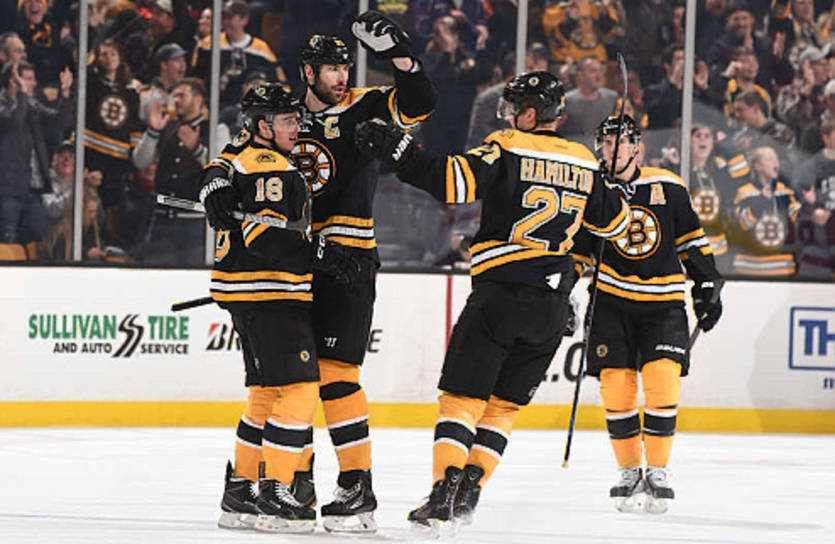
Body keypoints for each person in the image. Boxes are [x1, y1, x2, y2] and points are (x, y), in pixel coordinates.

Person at [354, 71, 630, 534]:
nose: (507, 116)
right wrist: (601, 186)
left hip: (501, 293)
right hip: (552, 305)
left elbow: (451, 181)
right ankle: (470, 491)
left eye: (514, 108)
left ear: (530, 115)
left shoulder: (507, 145)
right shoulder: (583, 159)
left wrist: (400, 151)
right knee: (502, 407)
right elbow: (615, 226)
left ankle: (443, 490)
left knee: (461, 399)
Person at [201, 10, 438, 533]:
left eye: (346, 67)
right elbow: (236, 153)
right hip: (295, 261)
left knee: (334, 376)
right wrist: (213, 179)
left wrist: (400, 56)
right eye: (332, 68)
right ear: (308, 72)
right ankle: (288, 481)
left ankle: (356, 485)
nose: (342, 76)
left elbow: (421, 101)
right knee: (286, 380)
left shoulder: (366, 105)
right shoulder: (286, 117)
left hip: (347, 259)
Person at [213, 83, 358, 534]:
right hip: (271, 293)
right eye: (288, 120)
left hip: (246, 293)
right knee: (300, 390)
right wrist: (321, 253)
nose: (297, 127)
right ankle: (275, 491)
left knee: (265, 394)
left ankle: (241, 489)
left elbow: (223, 172)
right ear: (262, 126)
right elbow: (266, 239)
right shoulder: (270, 167)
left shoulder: (240, 157)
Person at [570, 115, 724, 515]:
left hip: (663, 301)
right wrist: (563, 292)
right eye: (607, 142)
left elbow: (691, 240)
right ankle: (628, 472)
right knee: (616, 388)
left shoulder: (668, 186)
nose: (614, 148)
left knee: (662, 380)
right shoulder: (591, 188)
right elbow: (578, 251)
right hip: (610, 301)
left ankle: (657, 470)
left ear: (637, 147)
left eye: (621, 141)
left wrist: (707, 285)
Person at [731, 146, 800, 277]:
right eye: (769, 159)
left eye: (776, 158)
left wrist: (808, 203)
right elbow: (742, 224)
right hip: (749, 267)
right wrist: (761, 200)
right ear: (758, 166)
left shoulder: (784, 191)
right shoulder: (745, 192)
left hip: (781, 266)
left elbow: (797, 217)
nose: (775, 162)